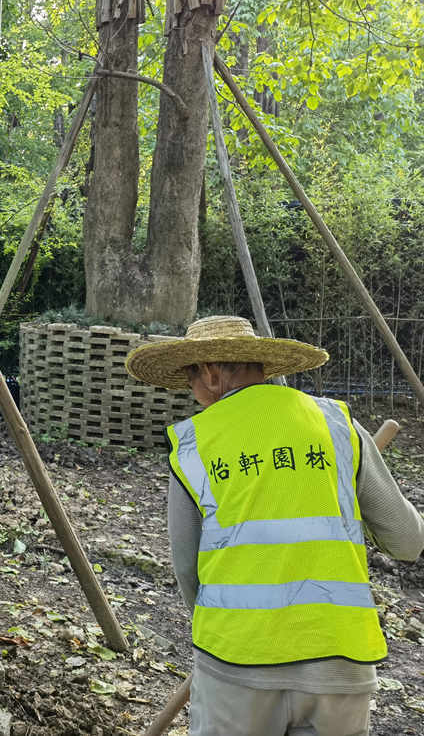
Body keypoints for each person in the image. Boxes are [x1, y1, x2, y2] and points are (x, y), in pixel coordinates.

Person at [125, 315, 424, 736]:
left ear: (209, 373)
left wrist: (227, 631)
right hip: (340, 662)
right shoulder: (337, 424)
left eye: (190, 379)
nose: (193, 394)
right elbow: (408, 541)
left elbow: (188, 569)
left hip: (237, 666)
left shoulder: (194, 443)